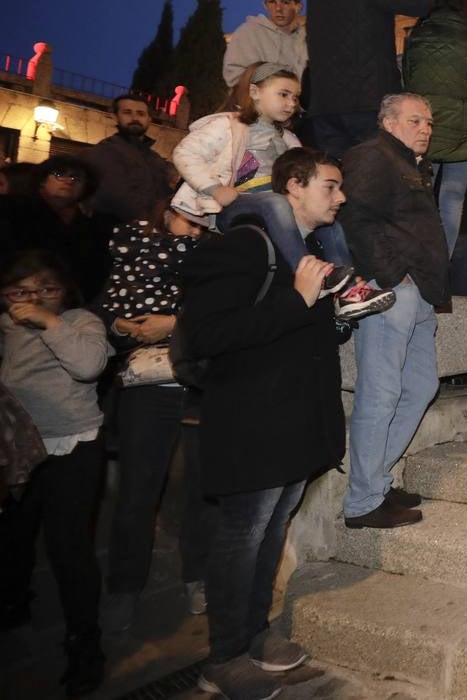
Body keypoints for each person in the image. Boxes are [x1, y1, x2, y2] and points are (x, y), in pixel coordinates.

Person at [177, 147, 348, 700]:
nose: (340, 197)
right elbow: (208, 334)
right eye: (330, 186)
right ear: (294, 185)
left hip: (293, 421)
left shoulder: (309, 249)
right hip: (251, 422)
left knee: (272, 531)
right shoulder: (245, 245)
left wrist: (337, 313)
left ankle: (254, 635)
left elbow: (303, 331)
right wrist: (298, 300)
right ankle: (223, 657)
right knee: (242, 536)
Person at [169, 64, 393, 321]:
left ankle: (349, 291)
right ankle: (311, 273)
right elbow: (185, 153)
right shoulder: (227, 126)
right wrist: (215, 189)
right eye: (283, 94)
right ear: (254, 92)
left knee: (330, 224)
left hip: (277, 204)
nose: (291, 103)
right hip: (235, 205)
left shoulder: (288, 139)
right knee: (275, 202)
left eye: (295, 97)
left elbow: (304, 173)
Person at [97, 204, 214, 632]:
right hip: (147, 390)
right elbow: (104, 315)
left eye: (203, 223)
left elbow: (230, 316)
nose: (195, 230)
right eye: (188, 220)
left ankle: (198, 576)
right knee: (137, 492)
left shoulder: (217, 257)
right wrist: (123, 327)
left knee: (204, 489)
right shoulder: (136, 254)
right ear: (167, 214)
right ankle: (124, 588)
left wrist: (174, 324)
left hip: (204, 387)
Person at [0, 253, 112, 697]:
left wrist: (49, 321)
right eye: (20, 291)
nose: (33, 298)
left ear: (64, 292)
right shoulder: (4, 327)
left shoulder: (81, 322)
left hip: (72, 447)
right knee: (13, 536)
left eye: (46, 289)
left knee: (69, 549)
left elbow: (88, 366)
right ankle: (14, 605)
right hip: (15, 451)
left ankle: (85, 645)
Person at [339, 94, 452, 528]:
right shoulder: (372, 155)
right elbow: (356, 219)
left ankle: (374, 480)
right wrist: (391, 276)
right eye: (415, 121)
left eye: (429, 122)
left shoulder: (409, 162)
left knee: (420, 386)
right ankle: (363, 501)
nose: (426, 129)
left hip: (419, 291)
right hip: (394, 290)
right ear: (388, 123)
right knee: (380, 391)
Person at [304, 0, 434, 157]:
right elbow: (421, 2)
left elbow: (351, 11)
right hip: (369, 104)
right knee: (377, 172)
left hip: (326, 107)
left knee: (336, 174)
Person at [402, 0, 467, 265]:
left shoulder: (416, 36)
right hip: (462, 132)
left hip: (422, 128)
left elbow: (406, 79)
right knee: (451, 200)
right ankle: (440, 269)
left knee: (419, 197)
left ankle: (414, 265)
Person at [0, 154, 115, 302]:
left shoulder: (94, 223)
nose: (69, 181)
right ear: (43, 180)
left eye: (76, 178)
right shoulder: (13, 209)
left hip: (74, 300)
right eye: (60, 174)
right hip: (20, 295)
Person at [86, 93, 175, 223]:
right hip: (112, 230)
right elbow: (112, 196)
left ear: (149, 119)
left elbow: (164, 195)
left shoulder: (155, 159)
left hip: (149, 231)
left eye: (141, 114)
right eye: (127, 113)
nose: (135, 118)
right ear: (115, 116)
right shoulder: (104, 152)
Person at [222, 0, 308, 107]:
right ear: (265, 4)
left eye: (285, 2)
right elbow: (234, 77)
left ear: (298, 7)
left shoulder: (306, 40)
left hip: (299, 112)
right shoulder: (248, 33)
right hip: (258, 112)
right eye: (272, 2)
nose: (278, 9)